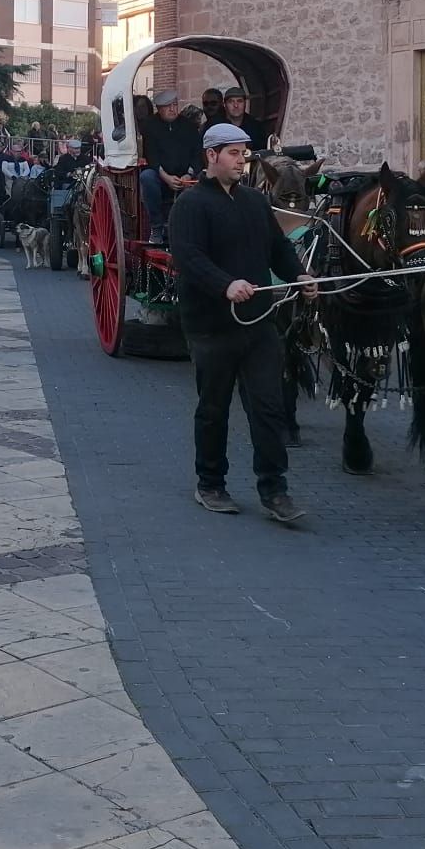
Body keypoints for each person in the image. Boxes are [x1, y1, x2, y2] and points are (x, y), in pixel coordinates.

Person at [168, 122, 312, 525]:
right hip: (212, 326)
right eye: (234, 153)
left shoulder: (254, 202)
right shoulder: (191, 204)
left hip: (259, 322)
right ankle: (210, 483)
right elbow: (188, 257)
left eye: (245, 154)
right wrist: (225, 284)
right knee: (213, 408)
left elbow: (278, 249)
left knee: (268, 408)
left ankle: (275, 490)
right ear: (211, 156)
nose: (242, 162)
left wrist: (299, 276)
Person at [138, 91, 203, 245]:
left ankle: (195, 229)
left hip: (186, 176)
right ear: (159, 109)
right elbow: (151, 155)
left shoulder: (188, 126)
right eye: (168, 107)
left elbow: (197, 154)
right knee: (146, 177)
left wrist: (189, 174)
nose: (173, 109)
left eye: (175, 105)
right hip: (160, 176)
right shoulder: (150, 126)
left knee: (206, 179)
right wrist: (165, 177)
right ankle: (157, 227)